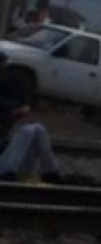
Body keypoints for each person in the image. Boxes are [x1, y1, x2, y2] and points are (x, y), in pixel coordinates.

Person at [0, 51, 61, 183]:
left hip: (7, 159)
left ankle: (51, 174)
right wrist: (14, 110)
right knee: (28, 131)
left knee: (37, 129)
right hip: (4, 168)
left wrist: (17, 110)